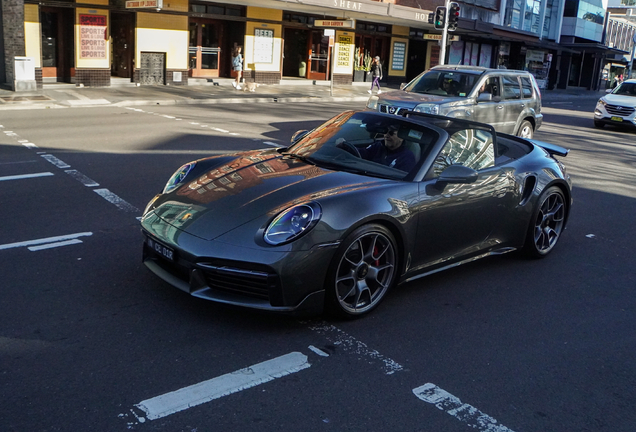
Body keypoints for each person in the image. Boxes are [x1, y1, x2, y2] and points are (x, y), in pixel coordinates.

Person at [336, 124, 416, 172]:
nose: (386, 136)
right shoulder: (378, 146)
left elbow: (402, 181)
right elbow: (362, 153)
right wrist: (345, 146)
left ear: (401, 137)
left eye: (391, 133)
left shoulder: (407, 157)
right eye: (385, 132)